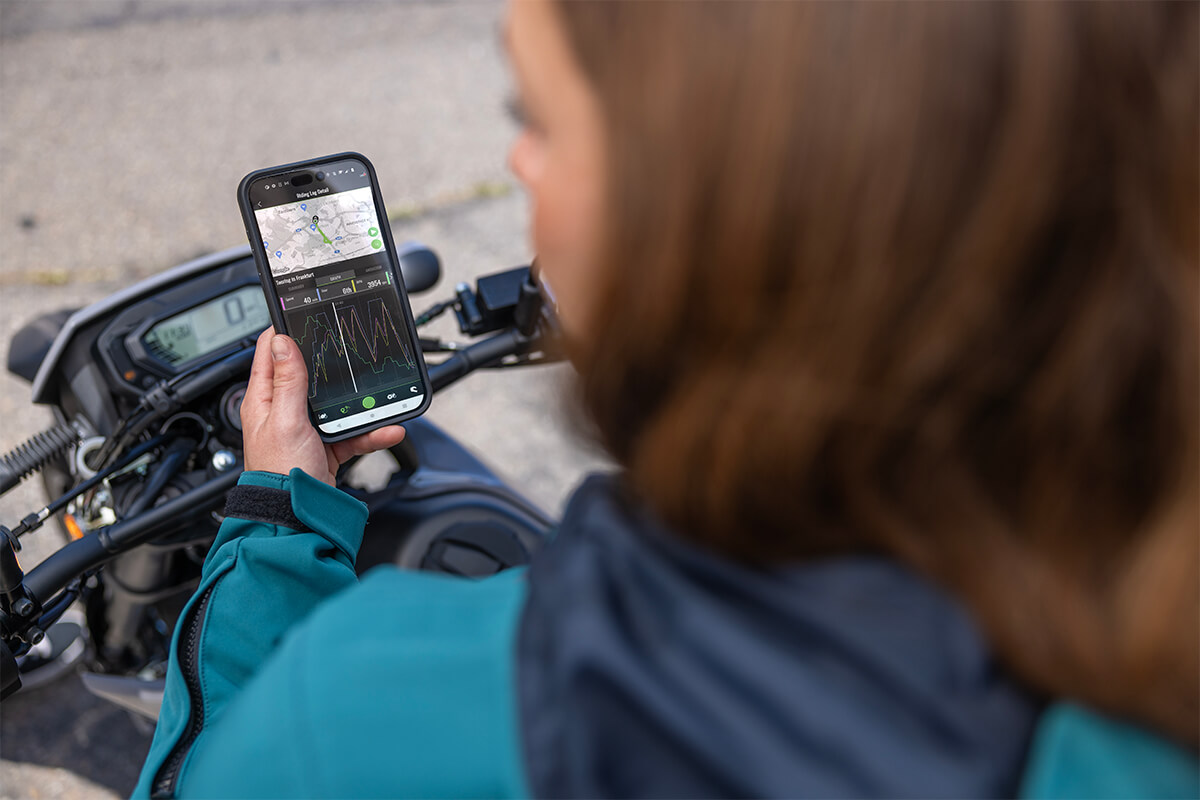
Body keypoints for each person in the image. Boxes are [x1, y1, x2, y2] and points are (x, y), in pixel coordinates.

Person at [135, 1, 1198, 797]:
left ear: (709, 208)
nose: (517, 160)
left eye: (538, 117)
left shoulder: (374, 713)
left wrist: (277, 513)